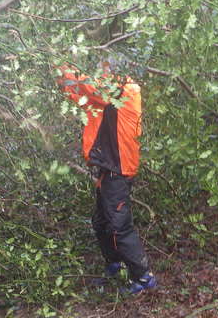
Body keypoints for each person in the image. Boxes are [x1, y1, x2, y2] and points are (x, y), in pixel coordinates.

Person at [58, 55, 156, 294]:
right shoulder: (107, 95)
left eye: (105, 68)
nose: (101, 72)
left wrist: (62, 67)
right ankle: (115, 264)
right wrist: (61, 77)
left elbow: (92, 88)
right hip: (108, 167)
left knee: (119, 225)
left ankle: (144, 278)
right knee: (101, 222)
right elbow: (81, 95)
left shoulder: (126, 90)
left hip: (118, 168)